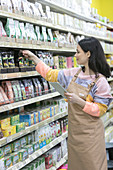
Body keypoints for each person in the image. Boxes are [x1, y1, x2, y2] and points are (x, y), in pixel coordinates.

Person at [22, 37, 113, 170]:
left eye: (78, 52)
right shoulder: (73, 73)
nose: (75, 55)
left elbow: (100, 110)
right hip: (75, 134)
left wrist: (79, 101)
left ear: (88, 54)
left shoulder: (101, 82)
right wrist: (34, 57)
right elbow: (50, 74)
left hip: (91, 136)